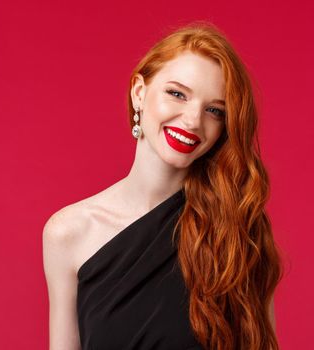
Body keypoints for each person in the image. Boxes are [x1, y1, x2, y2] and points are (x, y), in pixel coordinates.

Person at [43, 21, 284, 350]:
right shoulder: (68, 233)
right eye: (177, 94)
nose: (192, 120)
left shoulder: (238, 227)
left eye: (214, 110)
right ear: (139, 92)